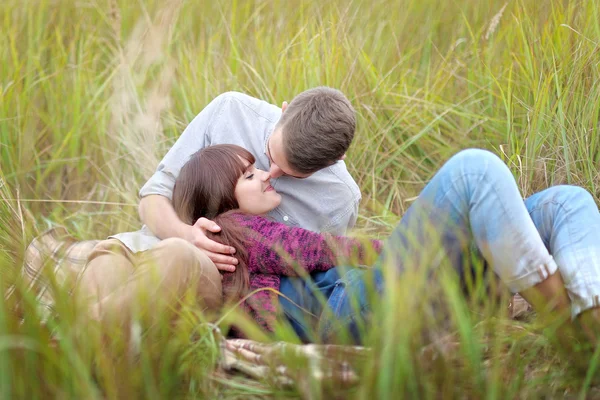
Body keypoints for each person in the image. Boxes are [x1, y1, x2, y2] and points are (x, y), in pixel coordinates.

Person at [170, 144, 600, 345]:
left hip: (369, 300)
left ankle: (590, 308)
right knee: (473, 171)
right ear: (222, 201)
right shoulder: (230, 230)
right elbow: (313, 250)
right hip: (351, 310)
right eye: (249, 176)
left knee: (566, 202)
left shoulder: (238, 241)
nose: (265, 174)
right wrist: (403, 248)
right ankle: (571, 322)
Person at [76, 87, 360, 327]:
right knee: (106, 265)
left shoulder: (339, 199)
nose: (271, 173)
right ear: (283, 110)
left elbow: (312, 270)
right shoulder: (230, 111)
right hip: (147, 243)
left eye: (292, 174)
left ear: (337, 159)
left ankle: (72, 343)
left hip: (206, 276)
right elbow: (153, 196)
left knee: (177, 258)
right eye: (270, 156)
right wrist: (186, 234)